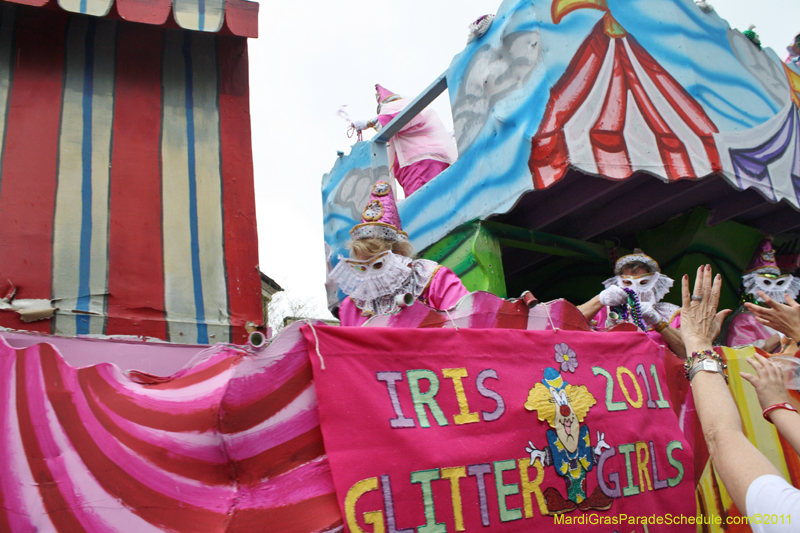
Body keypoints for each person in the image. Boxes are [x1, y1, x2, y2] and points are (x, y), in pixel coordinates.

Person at [682, 265, 800, 531]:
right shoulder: (744, 320)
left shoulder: (787, 517)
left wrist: (697, 343)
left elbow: (723, 436)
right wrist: (779, 405)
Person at [329, 181, 469, 326]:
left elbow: (467, 322)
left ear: (400, 254)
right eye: (363, 267)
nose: (371, 276)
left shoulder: (433, 280)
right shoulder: (352, 306)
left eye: (378, 265)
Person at [351, 85, 457, 196]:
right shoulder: (401, 131)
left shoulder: (402, 107)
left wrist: (368, 123)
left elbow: (394, 118)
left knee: (423, 202)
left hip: (419, 164)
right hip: (419, 165)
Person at [578, 249, 686, 357]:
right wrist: (599, 299)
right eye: (627, 282)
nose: (634, 288)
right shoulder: (603, 311)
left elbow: (690, 353)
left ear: (656, 284)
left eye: (643, 282)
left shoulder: (670, 313)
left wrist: (659, 323)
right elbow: (564, 322)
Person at [725, 238, 800, 352]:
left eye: (779, 283)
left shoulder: (786, 314)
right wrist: (785, 332)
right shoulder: (745, 320)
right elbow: (740, 354)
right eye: (766, 283)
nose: (773, 289)